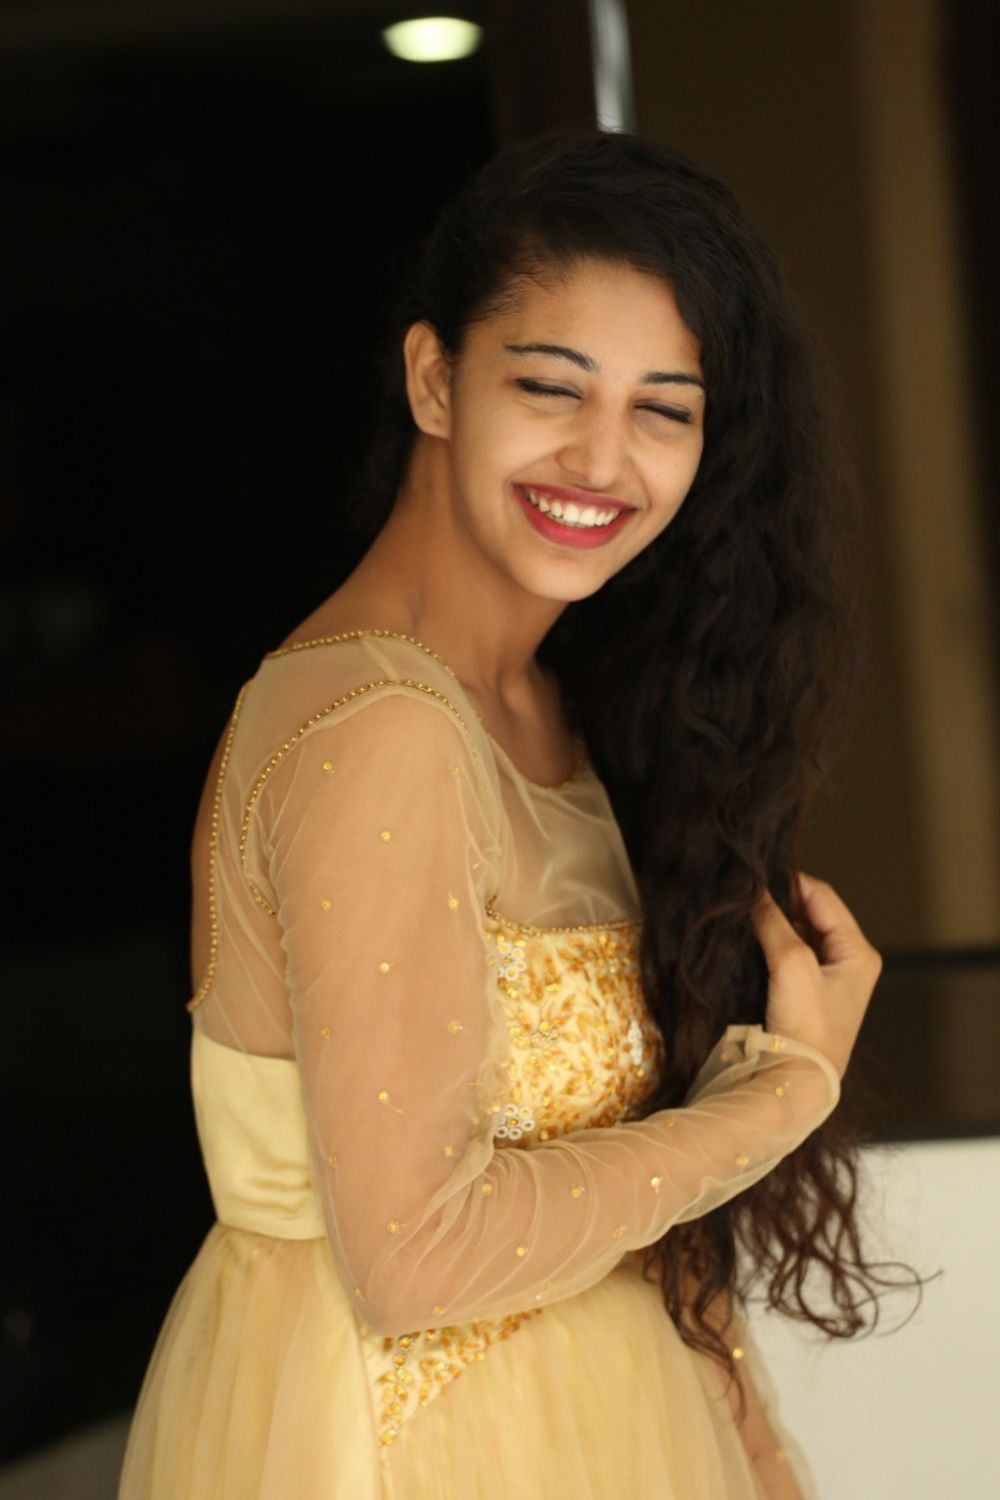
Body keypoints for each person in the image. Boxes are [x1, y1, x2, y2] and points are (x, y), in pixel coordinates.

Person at [118, 126, 894, 1499]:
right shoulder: (385, 731)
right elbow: (416, 1257)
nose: (602, 459)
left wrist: (759, 1462)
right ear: (435, 380)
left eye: (665, 409)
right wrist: (781, 1094)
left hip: (612, 1422)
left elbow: (628, 1224)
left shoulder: (548, 706)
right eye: (550, 387)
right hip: (404, 1450)